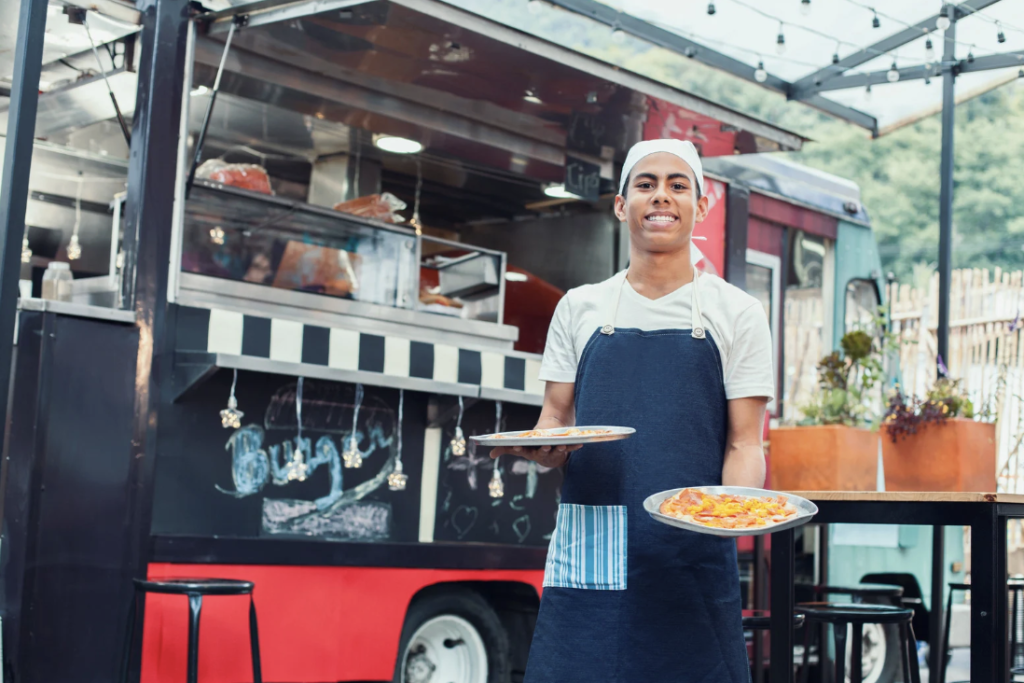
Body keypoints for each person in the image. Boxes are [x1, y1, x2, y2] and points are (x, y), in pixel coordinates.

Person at [491, 139, 774, 681]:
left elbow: (744, 443)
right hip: (594, 539)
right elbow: (554, 417)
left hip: (693, 548)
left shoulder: (737, 312)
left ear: (702, 206)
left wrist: (730, 524)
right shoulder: (579, 307)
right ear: (622, 205)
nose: (660, 197)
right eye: (645, 184)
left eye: (677, 185)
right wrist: (546, 449)